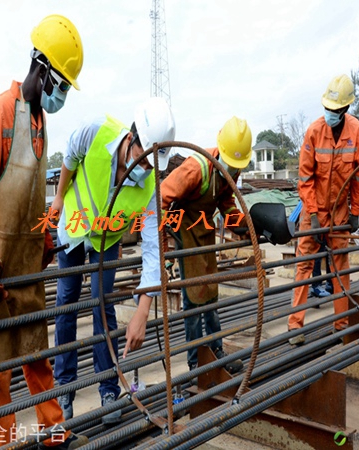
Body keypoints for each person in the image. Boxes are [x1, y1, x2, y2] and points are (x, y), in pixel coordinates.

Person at [0, 15, 87, 450]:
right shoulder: (0, 112)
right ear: (44, 69)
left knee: (37, 355)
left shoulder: (39, 122)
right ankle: (0, 445)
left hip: (28, 263)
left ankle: (55, 435)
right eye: (64, 84)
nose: (63, 95)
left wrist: (47, 238)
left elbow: (33, 197)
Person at [51, 97, 175, 424]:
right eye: (142, 158)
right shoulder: (96, 132)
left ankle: (108, 388)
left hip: (107, 238)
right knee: (67, 300)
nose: (146, 167)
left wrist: (144, 309)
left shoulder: (149, 185)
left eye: (152, 164)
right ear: (132, 137)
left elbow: (152, 249)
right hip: (76, 226)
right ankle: (64, 384)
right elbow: (70, 155)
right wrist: (60, 197)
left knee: (101, 303)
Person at [160, 116, 250, 374]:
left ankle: (215, 353)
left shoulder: (232, 169)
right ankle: (195, 364)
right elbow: (161, 199)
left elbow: (226, 205)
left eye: (237, 165)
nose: (233, 170)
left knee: (210, 294)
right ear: (220, 150)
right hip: (184, 235)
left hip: (205, 232)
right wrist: (164, 249)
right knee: (192, 300)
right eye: (231, 164)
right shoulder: (196, 168)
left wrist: (244, 225)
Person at [288, 74, 359, 343]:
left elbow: (358, 176)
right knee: (303, 266)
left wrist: (355, 212)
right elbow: (305, 178)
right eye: (328, 109)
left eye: (335, 110)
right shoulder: (313, 131)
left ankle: (341, 326)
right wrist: (311, 213)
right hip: (313, 212)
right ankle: (295, 328)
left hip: (340, 213)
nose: (330, 114)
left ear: (345, 109)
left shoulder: (355, 131)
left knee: (340, 269)